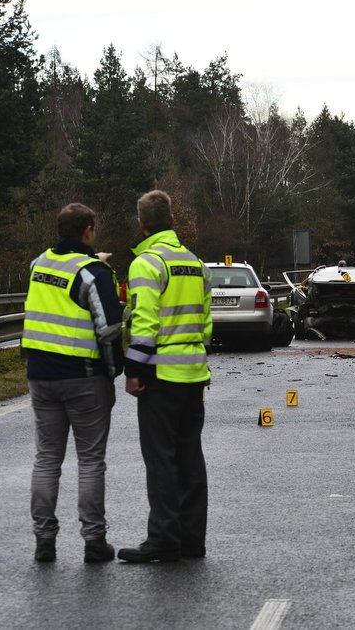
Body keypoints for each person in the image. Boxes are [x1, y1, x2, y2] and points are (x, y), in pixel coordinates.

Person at [22, 203, 124, 563]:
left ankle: (44, 541)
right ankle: (94, 541)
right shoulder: (93, 272)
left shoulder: (39, 264)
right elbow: (110, 328)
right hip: (83, 377)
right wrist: (114, 371)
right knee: (91, 460)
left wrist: (92, 260)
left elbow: (61, 278)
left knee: (47, 459)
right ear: (89, 230)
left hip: (40, 376)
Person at [118, 189, 213, 563]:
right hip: (194, 374)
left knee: (161, 460)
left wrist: (134, 369)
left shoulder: (147, 264)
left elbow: (144, 323)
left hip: (160, 376)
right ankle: (192, 540)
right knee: (190, 459)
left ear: (141, 224)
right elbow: (206, 325)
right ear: (172, 221)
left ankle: (162, 538)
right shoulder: (195, 263)